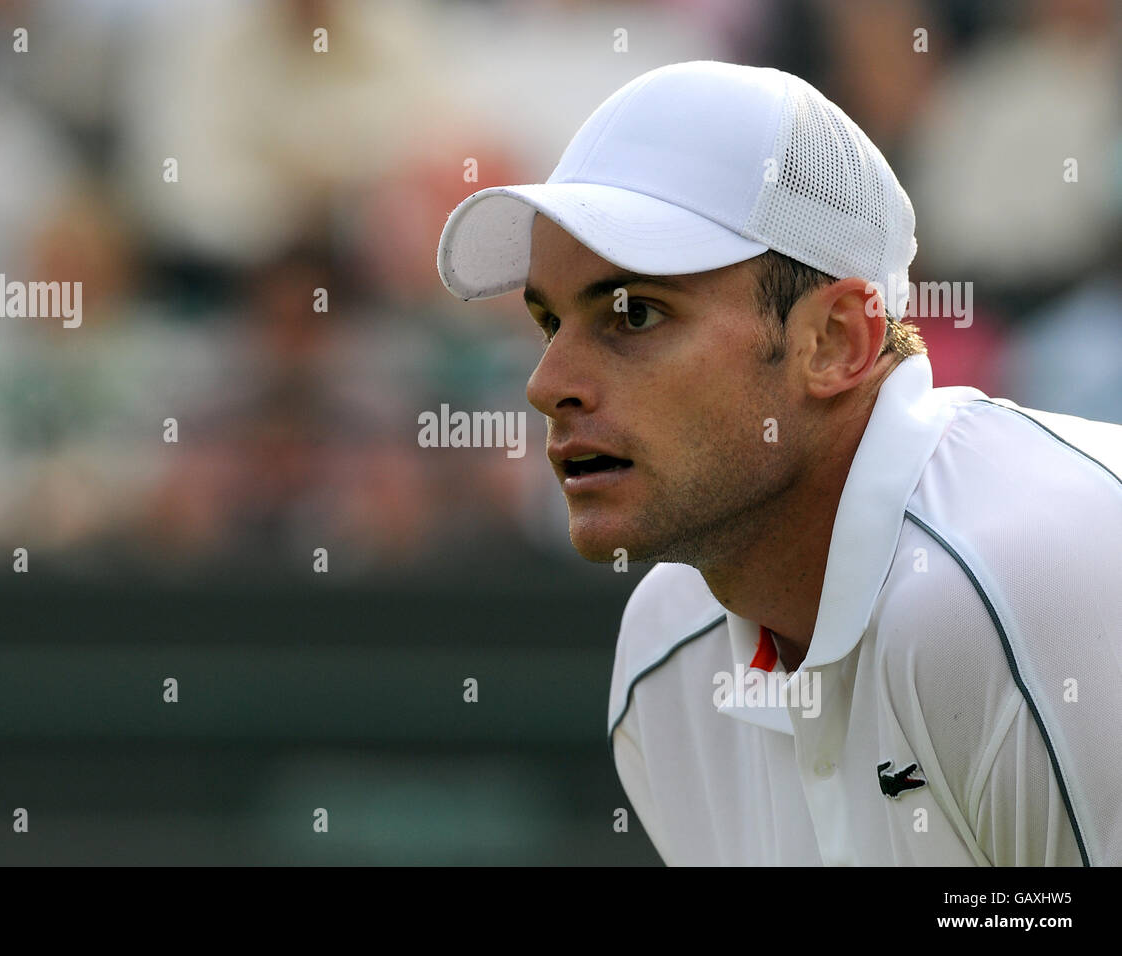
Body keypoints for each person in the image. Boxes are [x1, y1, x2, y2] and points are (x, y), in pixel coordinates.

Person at [435, 61, 1122, 865]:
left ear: (835, 342)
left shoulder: (1031, 578)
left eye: (636, 314)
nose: (547, 384)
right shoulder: (666, 652)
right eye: (552, 321)